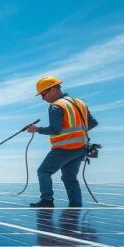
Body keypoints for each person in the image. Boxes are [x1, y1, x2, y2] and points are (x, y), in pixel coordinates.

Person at [26, 76, 97, 208]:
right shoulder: (80, 103)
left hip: (64, 148)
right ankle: (76, 206)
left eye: (43, 94)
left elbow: (55, 129)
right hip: (80, 148)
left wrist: (36, 129)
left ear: (53, 90)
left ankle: (47, 200)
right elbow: (93, 123)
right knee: (69, 178)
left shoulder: (56, 106)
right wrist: (78, 134)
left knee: (44, 171)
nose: (43, 98)